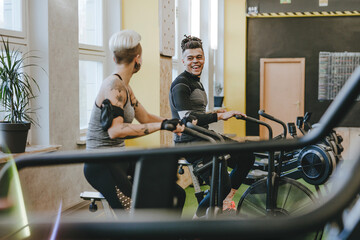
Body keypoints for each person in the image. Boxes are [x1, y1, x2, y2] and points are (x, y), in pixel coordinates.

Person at [84, 29, 186, 214]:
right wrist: (162, 126)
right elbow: (115, 131)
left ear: (114, 59)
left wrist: (175, 122)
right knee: (135, 213)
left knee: (176, 194)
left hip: (119, 158)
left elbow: (145, 118)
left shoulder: (125, 87)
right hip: (102, 163)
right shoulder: (113, 86)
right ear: (138, 59)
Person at [169, 35, 255, 218]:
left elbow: (198, 111)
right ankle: (198, 219)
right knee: (220, 187)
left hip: (206, 137)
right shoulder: (180, 84)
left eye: (199, 57)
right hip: (190, 142)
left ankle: (224, 200)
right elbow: (187, 119)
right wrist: (219, 115)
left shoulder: (196, 81)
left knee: (246, 156)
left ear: (204, 58)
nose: (195, 61)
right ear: (183, 60)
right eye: (190, 58)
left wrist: (215, 112)